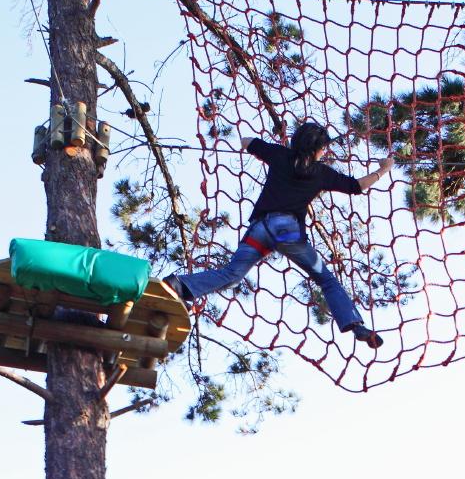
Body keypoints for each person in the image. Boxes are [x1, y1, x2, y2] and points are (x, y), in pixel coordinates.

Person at [164, 121, 394, 351]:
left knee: (233, 274)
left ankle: (179, 284)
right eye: (323, 148)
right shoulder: (322, 173)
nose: (324, 151)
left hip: (261, 229)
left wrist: (262, 149)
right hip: (287, 232)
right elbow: (357, 186)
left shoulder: (278, 154)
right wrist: (383, 170)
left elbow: (247, 142)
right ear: (316, 150)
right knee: (326, 280)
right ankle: (354, 325)